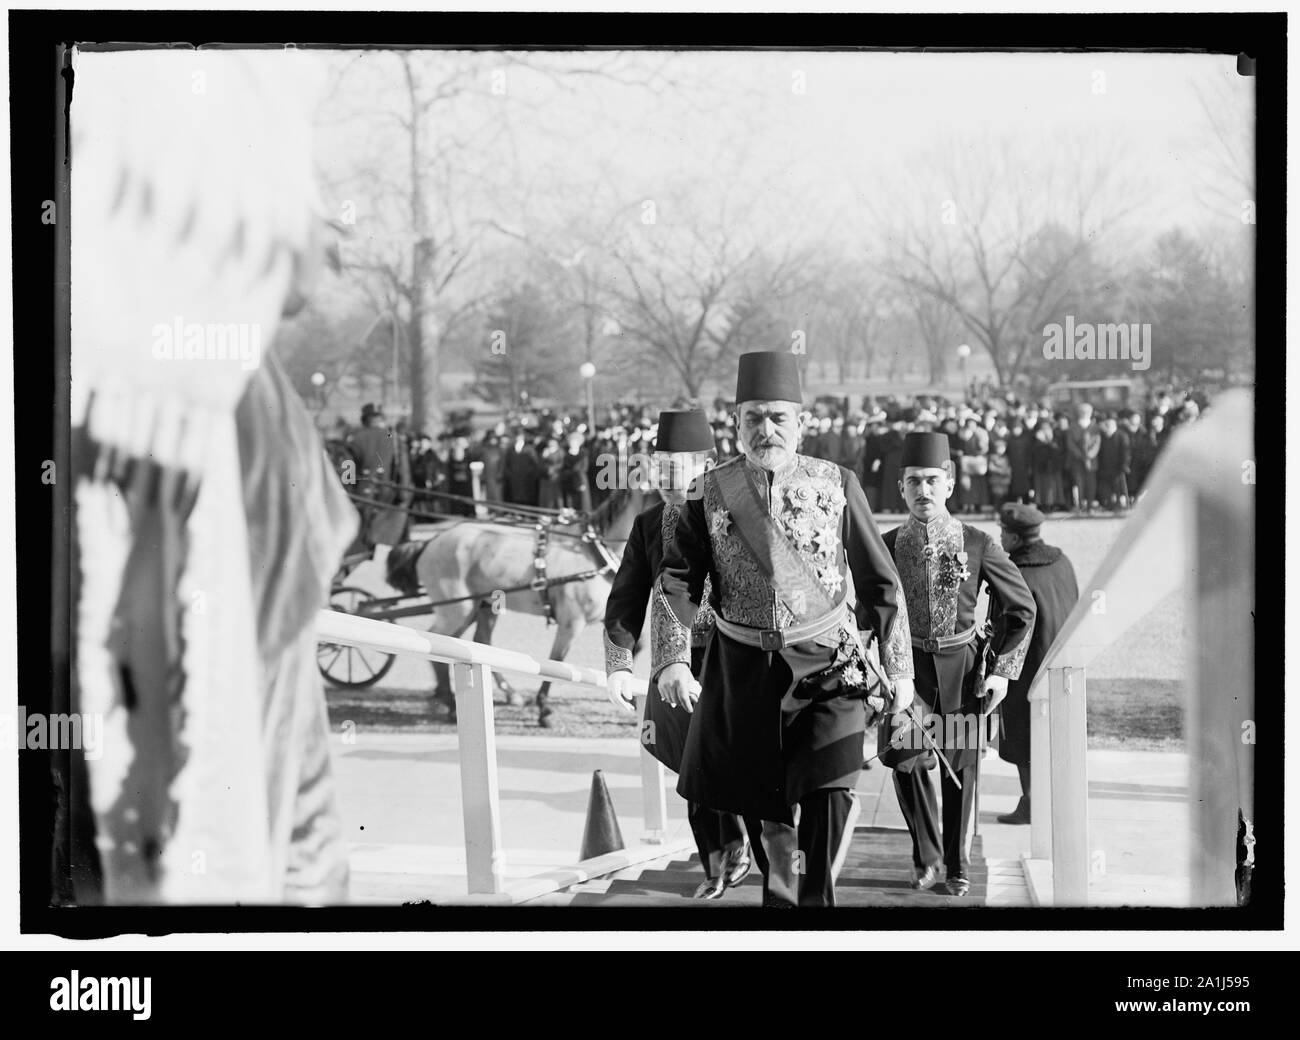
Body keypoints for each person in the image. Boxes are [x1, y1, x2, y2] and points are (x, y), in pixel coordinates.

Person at [654, 351, 915, 908]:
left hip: (828, 665)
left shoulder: (837, 483)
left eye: (777, 417)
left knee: (831, 789)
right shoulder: (709, 490)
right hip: (742, 670)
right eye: (753, 418)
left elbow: (880, 582)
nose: (765, 429)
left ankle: (815, 905)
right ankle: (781, 907)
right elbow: (677, 579)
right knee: (765, 807)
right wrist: (673, 656)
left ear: (802, 422)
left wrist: (899, 670)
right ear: (737, 423)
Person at [603, 409, 751, 899]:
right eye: (659, 467)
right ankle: (716, 861)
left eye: (678, 467)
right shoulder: (649, 524)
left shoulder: (737, 511)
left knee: (736, 757)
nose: (667, 479)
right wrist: (620, 665)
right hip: (676, 666)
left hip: (736, 656)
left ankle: (746, 847)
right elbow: (625, 597)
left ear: (707, 464)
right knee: (691, 765)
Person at [879, 432, 1035, 896]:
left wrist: (1002, 672)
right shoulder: (887, 545)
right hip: (909, 673)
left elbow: (1021, 608)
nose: (922, 491)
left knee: (959, 769)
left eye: (931, 480)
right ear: (901, 488)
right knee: (904, 761)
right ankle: (925, 855)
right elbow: (870, 613)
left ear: (949, 483)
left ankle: (957, 864)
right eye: (913, 483)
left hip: (963, 671)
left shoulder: (979, 542)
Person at [995, 503, 1079, 825]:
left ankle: (1031, 801)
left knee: (1020, 736)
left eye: (1003, 532)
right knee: (1055, 735)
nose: (1000, 537)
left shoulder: (1014, 571)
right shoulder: (1062, 561)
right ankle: (1053, 801)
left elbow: (1007, 623)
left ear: (1015, 538)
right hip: (1062, 661)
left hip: (1026, 666)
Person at [347, 402, 411, 546]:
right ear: (382, 418)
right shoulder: (393, 437)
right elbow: (404, 470)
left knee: (362, 542)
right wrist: (404, 495)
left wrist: (351, 494)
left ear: (364, 419)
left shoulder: (354, 438)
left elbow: (348, 471)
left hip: (362, 495)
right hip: (390, 495)